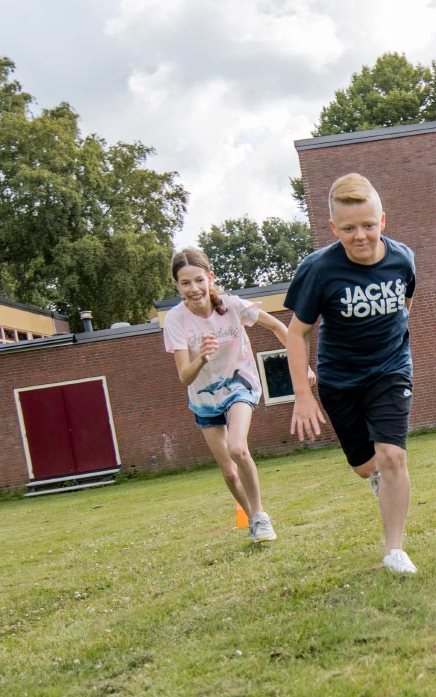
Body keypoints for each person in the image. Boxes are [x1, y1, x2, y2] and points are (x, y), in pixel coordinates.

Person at [283, 173, 420, 574]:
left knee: (392, 456)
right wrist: (302, 394)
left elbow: (406, 302)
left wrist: (391, 345)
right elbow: (297, 333)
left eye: (368, 225)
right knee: (365, 465)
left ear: (383, 220)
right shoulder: (319, 270)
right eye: (348, 229)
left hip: (391, 369)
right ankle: (377, 478)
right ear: (332, 228)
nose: (360, 235)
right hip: (339, 378)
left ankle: (394, 550)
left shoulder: (403, 258)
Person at [164, 248, 291, 542]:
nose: (194, 289)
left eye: (199, 280)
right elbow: (185, 375)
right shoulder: (175, 320)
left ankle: (260, 515)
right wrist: (203, 359)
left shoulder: (232, 306)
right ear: (176, 285)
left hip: (239, 383)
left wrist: (300, 369)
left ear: (210, 277)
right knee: (230, 473)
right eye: (185, 283)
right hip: (204, 397)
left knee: (237, 447)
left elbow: (278, 326)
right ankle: (252, 520)